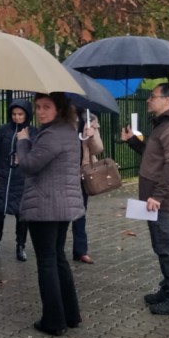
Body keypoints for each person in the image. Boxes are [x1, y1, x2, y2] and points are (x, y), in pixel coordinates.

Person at [16, 92, 85, 337]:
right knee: (58, 258)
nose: (41, 111)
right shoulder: (67, 131)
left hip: (45, 207)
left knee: (47, 261)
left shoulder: (52, 135)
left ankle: (53, 320)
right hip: (63, 205)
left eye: (47, 107)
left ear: (60, 109)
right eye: (38, 107)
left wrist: (23, 141)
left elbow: (29, 165)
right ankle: (71, 314)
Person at [121, 83, 169, 316]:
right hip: (154, 199)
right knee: (161, 246)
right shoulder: (162, 126)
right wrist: (133, 140)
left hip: (163, 200)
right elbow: (154, 157)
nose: (149, 100)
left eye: (153, 96)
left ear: (168, 101)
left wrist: (158, 195)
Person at [0, 99, 36, 262]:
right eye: (14, 114)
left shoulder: (33, 132)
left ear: (27, 115)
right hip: (2, 177)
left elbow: (36, 154)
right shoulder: (3, 130)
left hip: (21, 178)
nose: (17, 117)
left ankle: (20, 246)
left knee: (22, 215)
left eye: (20, 114)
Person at [72, 110, 104, 263]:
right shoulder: (61, 116)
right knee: (61, 212)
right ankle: (56, 249)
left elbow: (98, 149)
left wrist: (91, 136)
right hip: (64, 170)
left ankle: (80, 251)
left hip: (82, 172)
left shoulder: (90, 118)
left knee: (80, 211)